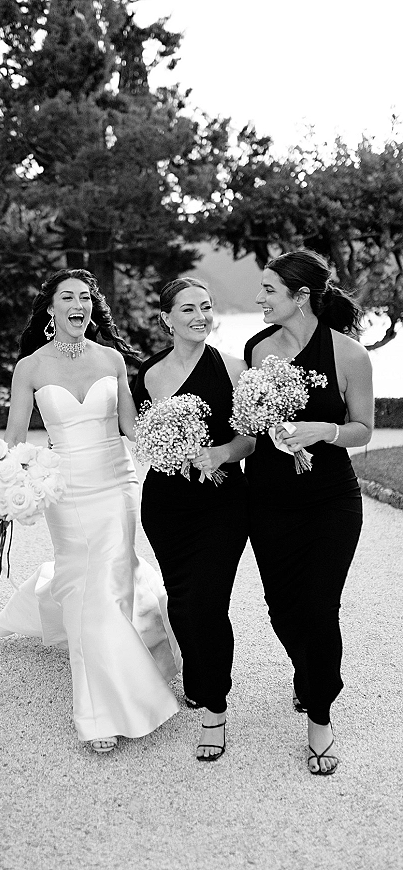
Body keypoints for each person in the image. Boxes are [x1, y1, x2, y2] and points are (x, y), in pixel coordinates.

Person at [0, 268, 181, 752]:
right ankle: (117, 691)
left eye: (86, 297)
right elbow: (15, 440)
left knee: (110, 581)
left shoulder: (112, 358)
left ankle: (102, 709)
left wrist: (176, 445)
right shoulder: (30, 367)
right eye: (67, 296)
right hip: (65, 491)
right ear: (51, 308)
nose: (79, 304)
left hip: (117, 483)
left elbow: (130, 426)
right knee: (85, 586)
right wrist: (12, 486)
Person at [244, 249, 373, 776]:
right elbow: (252, 425)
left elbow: (363, 430)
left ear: (301, 297)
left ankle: (320, 714)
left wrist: (324, 431)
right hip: (269, 500)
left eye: (269, 290)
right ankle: (311, 670)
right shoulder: (257, 350)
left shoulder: (348, 355)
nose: (259, 299)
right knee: (281, 607)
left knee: (319, 607)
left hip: (330, 502)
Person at [132, 277, 255, 761]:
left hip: (223, 503)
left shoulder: (231, 367)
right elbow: (139, 438)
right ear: (167, 319)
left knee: (206, 602)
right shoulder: (147, 375)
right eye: (188, 309)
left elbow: (250, 439)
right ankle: (201, 681)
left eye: (206, 307)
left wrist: (221, 452)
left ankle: (215, 707)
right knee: (182, 606)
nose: (200, 316)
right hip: (165, 507)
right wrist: (167, 449)